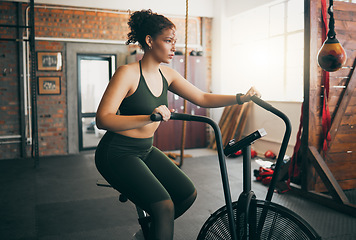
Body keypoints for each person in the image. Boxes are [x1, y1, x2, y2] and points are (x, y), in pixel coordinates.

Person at [95, 9, 260, 240]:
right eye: (168, 41)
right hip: (117, 153)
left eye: (175, 41)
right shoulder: (127, 73)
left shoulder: (167, 74)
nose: (174, 47)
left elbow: (202, 98)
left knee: (186, 194)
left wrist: (240, 98)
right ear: (150, 41)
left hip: (145, 149)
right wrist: (148, 117)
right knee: (164, 207)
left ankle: (148, 234)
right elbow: (103, 119)